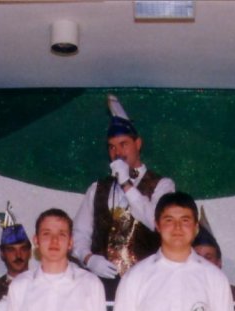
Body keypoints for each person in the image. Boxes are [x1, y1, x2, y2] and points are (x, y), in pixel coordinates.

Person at [74, 95, 177, 300]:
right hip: (101, 289)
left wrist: (126, 184)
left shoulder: (163, 185)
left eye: (123, 144)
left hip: (147, 287)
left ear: (138, 143)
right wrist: (88, 258)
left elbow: (155, 222)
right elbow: (79, 233)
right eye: (112, 147)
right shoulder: (96, 188)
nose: (117, 152)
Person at [193, 206, 235, 300]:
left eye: (208, 257)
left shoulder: (233, 295)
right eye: (197, 257)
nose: (202, 262)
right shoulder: (180, 292)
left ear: (219, 263)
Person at [0, 203, 32, 302]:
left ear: (30, 251)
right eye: (11, 250)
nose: (18, 255)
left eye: (23, 249)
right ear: (2, 253)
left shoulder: (40, 284)